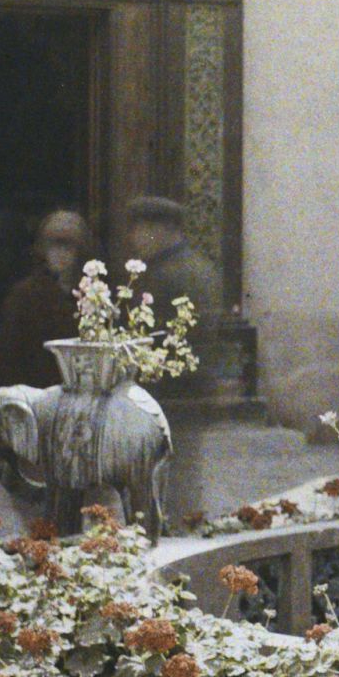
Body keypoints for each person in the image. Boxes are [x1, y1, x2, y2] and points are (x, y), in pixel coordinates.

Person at [124, 196, 224, 530]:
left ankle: (172, 540)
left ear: (162, 230)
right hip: (188, 390)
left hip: (172, 391)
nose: (135, 239)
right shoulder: (194, 266)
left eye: (141, 230)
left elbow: (166, 338)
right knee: (178, 474)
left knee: (168, 476)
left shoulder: (172, 275)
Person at [0, 209, 91, 390]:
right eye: (54, 247)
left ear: (79, 251)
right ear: (43, 251)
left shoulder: (93, 293)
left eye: (68, 247)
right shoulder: (24, 295)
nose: (61, 254)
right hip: (38, 392)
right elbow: (8, 356)